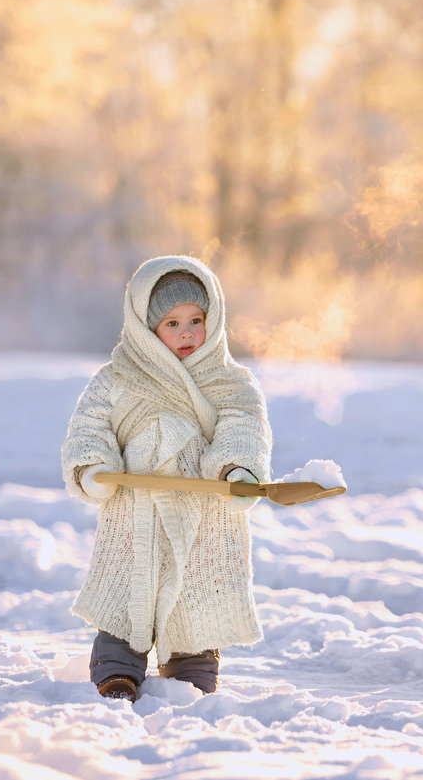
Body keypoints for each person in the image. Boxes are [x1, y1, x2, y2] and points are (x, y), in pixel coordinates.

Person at [61, 255, 272, 702]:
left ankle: (190, 672)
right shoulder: (117, 379)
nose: (188, 333)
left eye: (196, 319)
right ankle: (118, 669)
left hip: (203, 515)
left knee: (195, 595)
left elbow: (242, 426)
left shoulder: (230, 382)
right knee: (126, 592)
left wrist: (237, 469)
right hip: (133, 511)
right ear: (144, 325)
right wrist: (93, 468)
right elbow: (89, 428)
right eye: (172, 323)